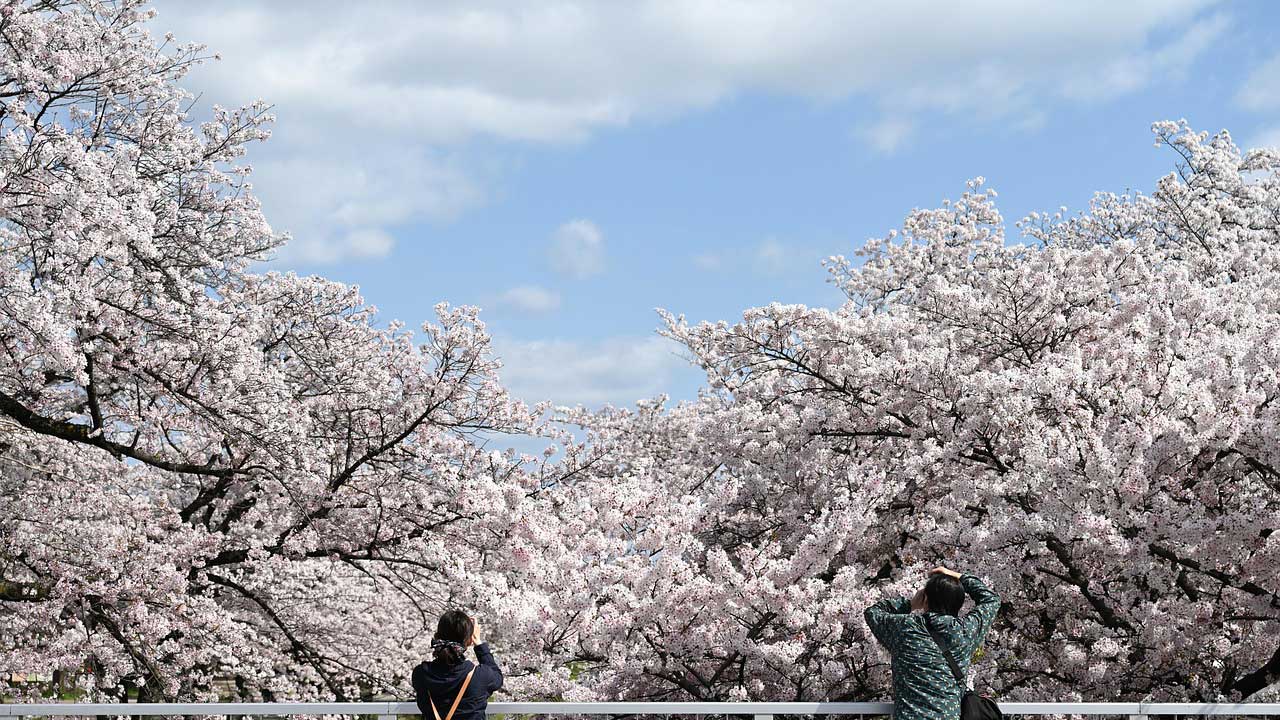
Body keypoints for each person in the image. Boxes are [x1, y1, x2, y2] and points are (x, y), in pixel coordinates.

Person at [864, 566, 1001, 720]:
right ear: (959, 603)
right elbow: (991, 599)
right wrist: (957, 576)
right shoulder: (964, 631)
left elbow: (873, 612)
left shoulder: (904, 627)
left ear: (926, 599)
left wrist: (910, 604)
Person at [412, 610, 503, 720]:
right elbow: (497, 678)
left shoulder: (420, 674)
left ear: (437, 636)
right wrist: (478, 643)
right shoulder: (480, 675)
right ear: (469, 641)